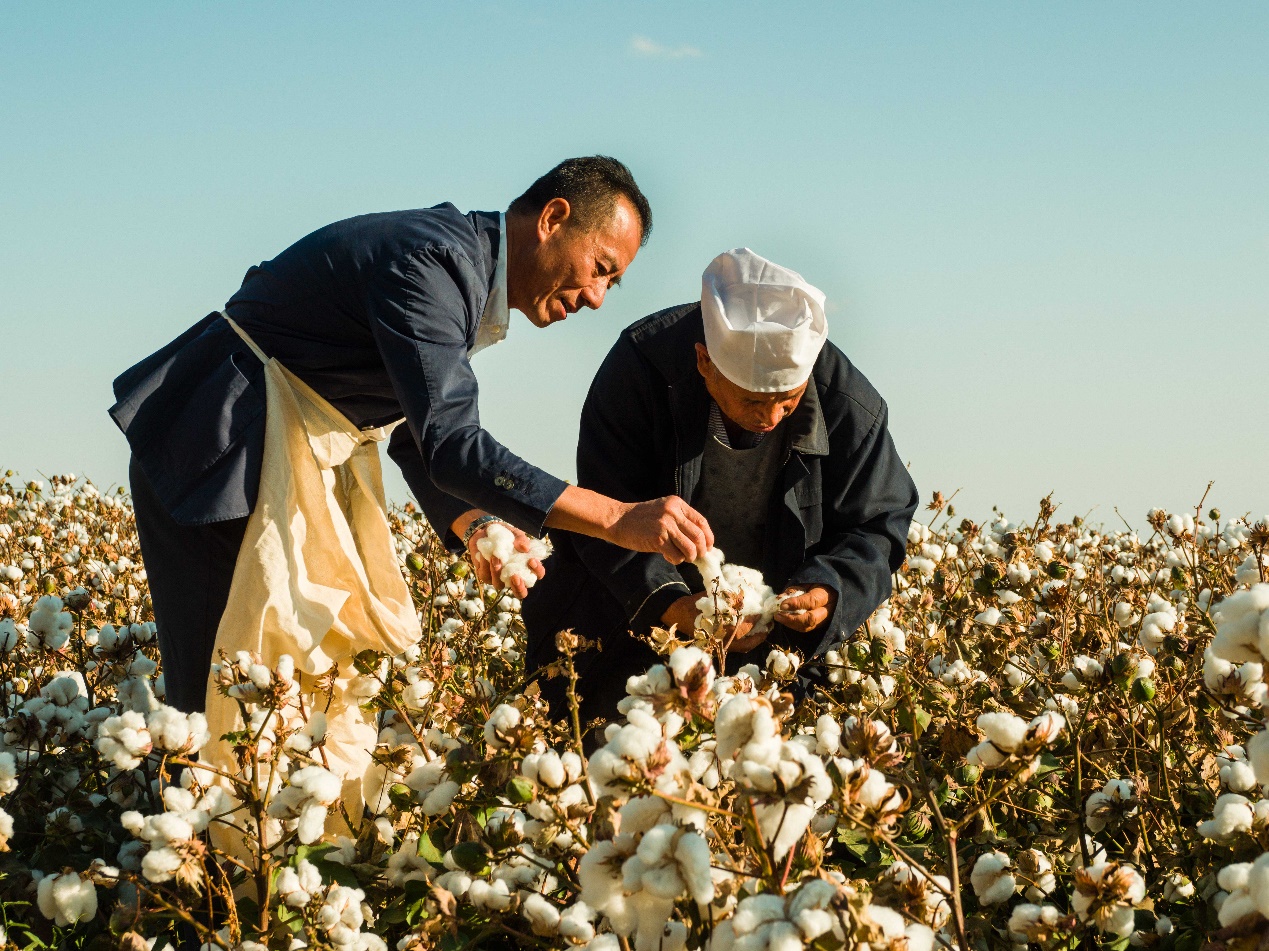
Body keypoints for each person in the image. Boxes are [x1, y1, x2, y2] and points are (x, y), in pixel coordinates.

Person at [110, 156, 714, 718]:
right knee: (222, 689)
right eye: (600, 269)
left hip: (252, 448)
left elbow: (409, 432)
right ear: (553, 219)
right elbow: (451, 445)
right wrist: (615, 517)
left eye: (613, 283)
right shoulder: (434, 265)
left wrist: (476, 523)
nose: (598, 298)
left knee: (279, 693)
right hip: (220, 450)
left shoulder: (459, 270)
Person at [522, 248, 918, 728]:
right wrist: (674, 606)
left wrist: (831, 590)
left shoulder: (849, 405)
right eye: (752, 400)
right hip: (620, 629)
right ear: (705, 363)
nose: (771, 419)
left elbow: (878, 525)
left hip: (769, 654)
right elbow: (606, 512)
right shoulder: (641, 370)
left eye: (788, 401)